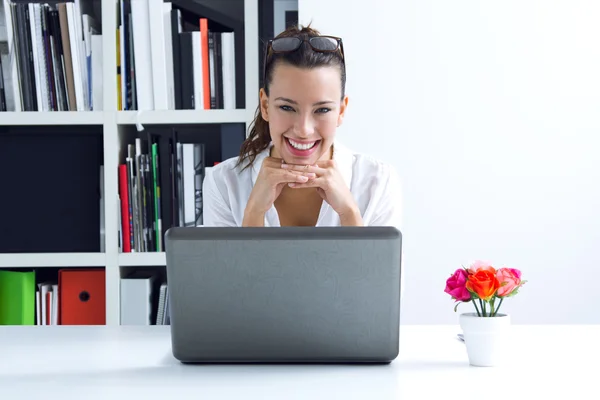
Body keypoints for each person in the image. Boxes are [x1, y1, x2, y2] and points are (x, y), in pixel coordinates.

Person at [202, 24, 402, 229]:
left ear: (341, 111)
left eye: (322, 110)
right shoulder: (224, 184)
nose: (304, 130)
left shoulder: (377, 183)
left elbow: (378, 263)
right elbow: (227, 263)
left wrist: (349, 213)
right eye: (287, 107)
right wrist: (254, 212)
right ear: (265, 105)